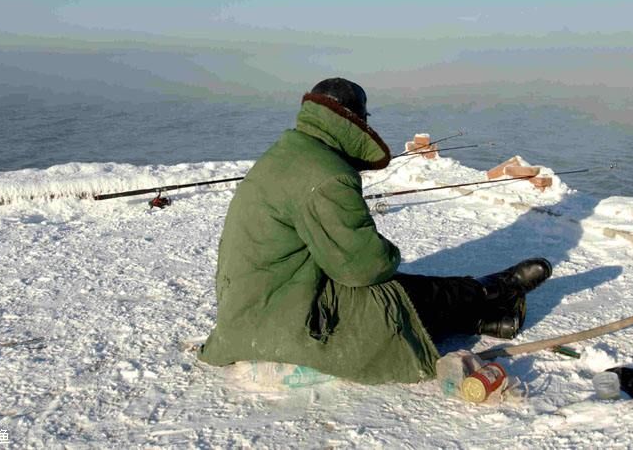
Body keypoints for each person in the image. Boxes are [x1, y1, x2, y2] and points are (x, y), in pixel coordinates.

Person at [198, 78, 552, 384]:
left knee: (402, 293)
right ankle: (495, 288)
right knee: (396, 295)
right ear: (354, 122)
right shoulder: (326, 174)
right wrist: (389, 254)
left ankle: (488, 318)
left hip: (252, 305)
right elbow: (363, 267)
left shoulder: (291, 151)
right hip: (285, 317)